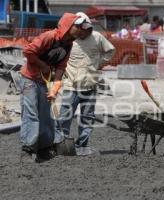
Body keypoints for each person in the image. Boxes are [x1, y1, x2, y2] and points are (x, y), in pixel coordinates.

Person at [19, 13, 84, 162]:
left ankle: (44, 148)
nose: (80, 29)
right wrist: (43, 66)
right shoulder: (49, 37)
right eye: (78, 26)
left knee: (46, 115)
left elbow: (61, 66)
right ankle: (27, 150)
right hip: (29, 78)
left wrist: (55, 87)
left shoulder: (69, 45)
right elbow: (28, 51)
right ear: (68, 26)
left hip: (44, 81)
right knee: (31, 113)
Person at [54, 12, 115, 156]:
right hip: (71, 86)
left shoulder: (97, 37)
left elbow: (110, 51)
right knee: (64, 117)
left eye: (88, 30)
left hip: (90, 85)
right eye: (83, 30)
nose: (85, 32)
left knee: (87, 118)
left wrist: (99, 63)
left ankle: (82, 145)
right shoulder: (69, 40)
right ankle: (60, 144)